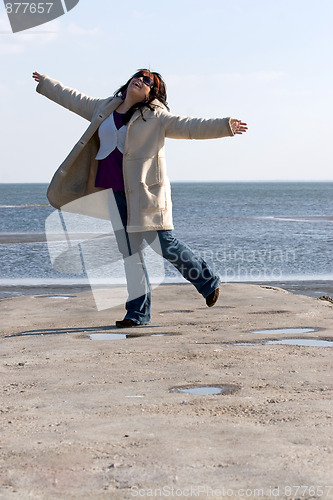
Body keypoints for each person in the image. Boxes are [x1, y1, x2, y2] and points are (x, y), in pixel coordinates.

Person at [32, 69, 248, 328]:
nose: (141, 80)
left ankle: (207, 280)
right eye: (139, 75)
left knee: (164, 245)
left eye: (148, 81)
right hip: (113, 194)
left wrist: (224, 126)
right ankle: (137, 314)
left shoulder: (156, 117)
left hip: (145, 194)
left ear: (151, 92)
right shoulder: (104, 107)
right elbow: (72, 98)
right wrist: (47, 83)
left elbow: (190, 126)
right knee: (131, 255)